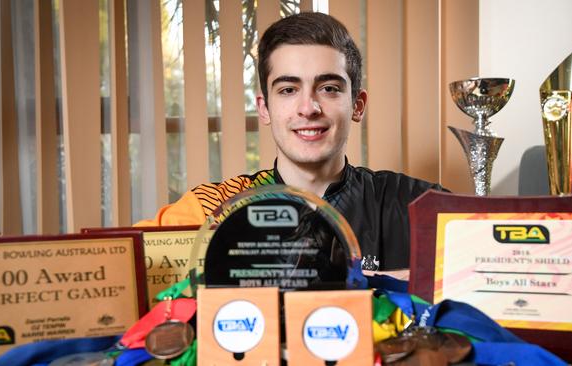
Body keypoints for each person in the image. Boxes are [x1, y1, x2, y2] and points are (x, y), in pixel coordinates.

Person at [137, 12, 445, 271]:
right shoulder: (211, 210)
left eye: (329, 88)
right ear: (264, 108)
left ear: (357, 105)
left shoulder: (418, 206)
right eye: (288, 90)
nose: (308, 107)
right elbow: (120, 264)